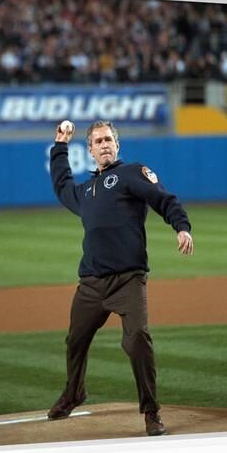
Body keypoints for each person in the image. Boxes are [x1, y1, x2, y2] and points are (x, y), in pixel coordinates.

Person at [47, 119, 194, 436]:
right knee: (75, 341)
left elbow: (164, 199)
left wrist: (181, 226)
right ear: (89, 150)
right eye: (97, 141)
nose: (104, 145)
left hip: (128, 279)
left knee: (137, 339)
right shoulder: (85, 191)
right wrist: (60, 145)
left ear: (118, 145)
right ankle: (74, 393)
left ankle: (151, 411)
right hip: (91, 284)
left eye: (108, 140)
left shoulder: (131, 173)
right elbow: (61, 186)